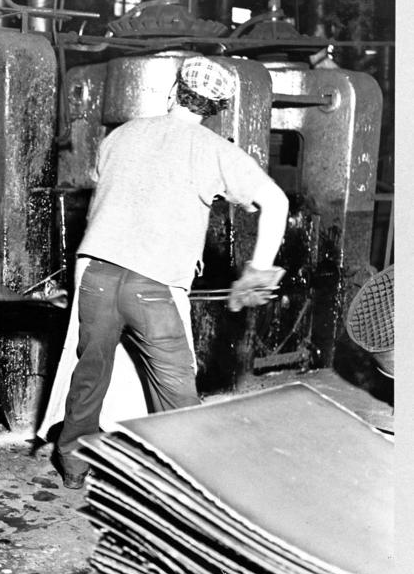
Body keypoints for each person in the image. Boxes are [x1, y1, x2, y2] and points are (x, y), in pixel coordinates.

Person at [55, 55, 289, 489]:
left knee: (90, 372)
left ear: (173, 92)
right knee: (176, 393)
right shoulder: (216, 149)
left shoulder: (121, 135)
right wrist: (257, 271)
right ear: (215, 109)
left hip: (96, 278)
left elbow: (102, 188)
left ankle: (73, 463)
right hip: (152, 288)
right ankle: (186, 488)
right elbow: (277, 202)